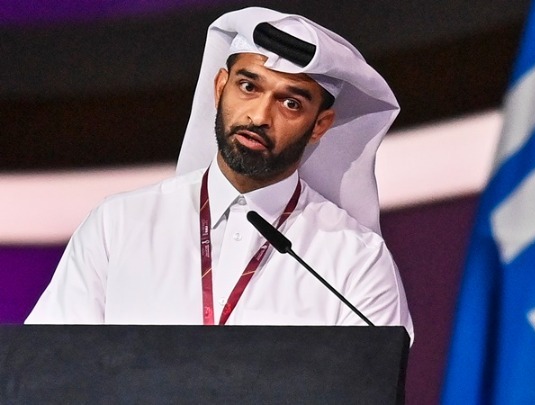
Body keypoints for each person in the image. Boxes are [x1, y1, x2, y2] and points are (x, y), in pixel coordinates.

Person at [25, 7, 414, 342]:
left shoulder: (355, 261)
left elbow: (369, 384)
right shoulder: (118, 225)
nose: (259, 116)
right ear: (220, 87)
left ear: (320, 125)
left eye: (290, 103)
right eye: (248, 86)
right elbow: (47, 369)